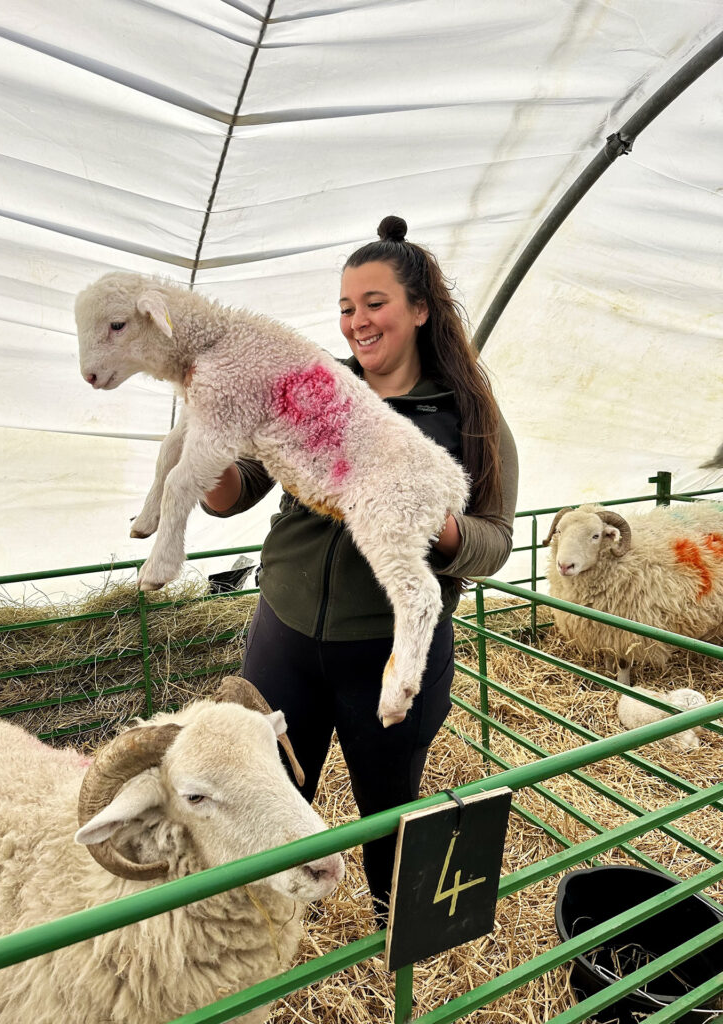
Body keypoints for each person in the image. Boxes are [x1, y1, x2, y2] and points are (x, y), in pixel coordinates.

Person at [202, 215, 518, 921]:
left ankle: (394, 940)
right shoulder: (314, 390)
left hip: (388, 651)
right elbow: (236, 491)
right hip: (282, 633)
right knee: (272, 795)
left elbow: (494, 540)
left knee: (389, 810)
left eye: (375, 303)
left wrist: (434, 526)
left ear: (419, 308)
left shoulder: (468, 417)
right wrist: (204, 437)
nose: (356, 322)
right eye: (346, 307)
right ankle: (264, 936)